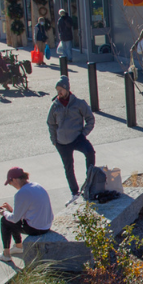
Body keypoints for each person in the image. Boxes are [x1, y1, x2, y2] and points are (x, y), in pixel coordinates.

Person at [47, 76, 96, 206]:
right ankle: (74, 192)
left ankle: (90, 182)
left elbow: (90, 119)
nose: (59, 92)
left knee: (90, 152)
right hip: (61, 142)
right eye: (57, 90)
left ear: (67, 89)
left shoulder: (79, 103)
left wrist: (83, 134)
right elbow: (50, 123)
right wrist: (54, 139)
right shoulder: (55, 106)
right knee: (68, 167)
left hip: (77, 138)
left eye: (61, 89)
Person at [0, 168, 55, 261]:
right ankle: (18, 246)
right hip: (47, 225)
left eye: (10, 182)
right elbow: (24, 213)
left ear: (15, 179)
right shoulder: (37, 186)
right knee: (11, 219)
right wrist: (10, 210)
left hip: (36, 229)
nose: (11, 185)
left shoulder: (21, 193)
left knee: (5, 221)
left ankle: (6, 254)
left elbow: (14, 219)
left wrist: (4, 212)